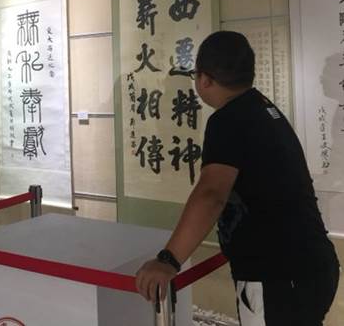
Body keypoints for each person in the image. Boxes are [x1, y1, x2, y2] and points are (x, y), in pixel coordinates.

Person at [136, 31, 339, 326]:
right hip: (309, 264)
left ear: (204, 79)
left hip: (278, 276)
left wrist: (168, 260)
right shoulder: (263, 108)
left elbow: (211, 194)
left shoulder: (228, 120)